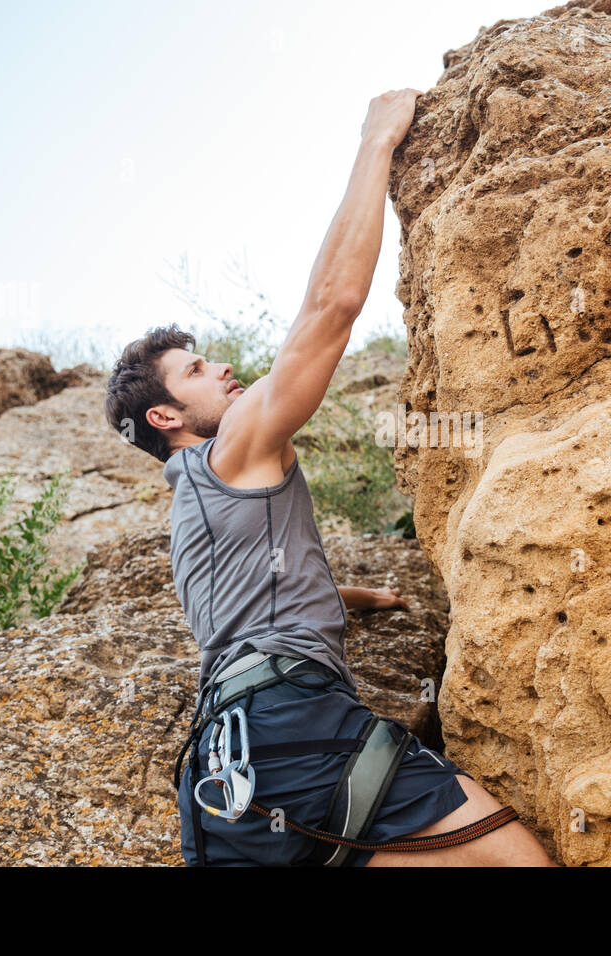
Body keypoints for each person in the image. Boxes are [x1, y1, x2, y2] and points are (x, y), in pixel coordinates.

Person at [104, 89, 554, 866]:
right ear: (166, 418)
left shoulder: (190, 520)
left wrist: (342, 597)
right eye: (198, 371)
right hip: (296, 735)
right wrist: (376, 144)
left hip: (225, 789)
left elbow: (250, 600)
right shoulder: (234, 448)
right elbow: (332, 306)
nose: (224, 370)